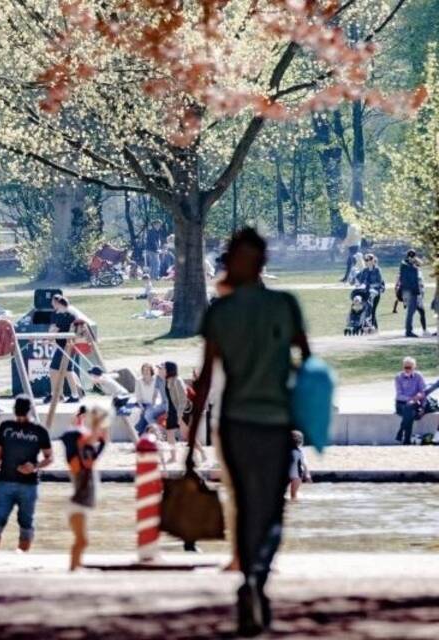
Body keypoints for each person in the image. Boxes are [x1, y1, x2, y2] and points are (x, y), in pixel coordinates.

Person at [188, 227, 312, 636]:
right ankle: (258, 575)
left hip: (237, 420)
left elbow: (205, 378)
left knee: (245, 503)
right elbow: (308, 362)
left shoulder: (220, 312)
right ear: (263, 262)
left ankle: (249, 580)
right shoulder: (284, 305)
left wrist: (191, 441)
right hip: (274, 420)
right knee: (271, 505)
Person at [0, 396, 53, 552]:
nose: (21, 417)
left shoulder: (39, 431)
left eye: (23, 413)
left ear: (29, 411)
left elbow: (49, 457)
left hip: (28, 485)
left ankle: (21, 558)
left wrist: (35, 466)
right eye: (19, 413)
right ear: (15, 411)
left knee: (26, 524)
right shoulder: (6, 427)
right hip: (6, 482)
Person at [62, 405, 109, 571]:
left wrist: (100, 422)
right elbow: (90, 437)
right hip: (77, 505)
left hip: (82, 504)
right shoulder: (75, 462)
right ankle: (72, 571)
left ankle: (75, 568)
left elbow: (100, 441)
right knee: (82, 541)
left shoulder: (87, 460)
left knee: (81, 541)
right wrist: (97, 419)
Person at [46, 295, 82, 404]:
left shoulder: (69, 315)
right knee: (56, 370)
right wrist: (48, 338)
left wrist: (48, 338)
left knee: (67, 371)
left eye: (53, 302)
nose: (52, 304)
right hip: (61, 346)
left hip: (68, 346)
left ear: (58, 303)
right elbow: (52, 328)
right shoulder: (57, 314)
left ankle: (74, 395)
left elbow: (56, 330)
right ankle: (58, 394)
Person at [394, 356, 426, 445]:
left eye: (409, 367)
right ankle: (406, 438)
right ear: (402, 367)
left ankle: (401, 433)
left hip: (414, 403)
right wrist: (411, 398)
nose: (407, 369)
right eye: (405, 367)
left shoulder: (418, 376)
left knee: (409, 408)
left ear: (414, 367)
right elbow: (399, 395)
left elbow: (423, 391)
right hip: (401, 404)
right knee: (409, 410)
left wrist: (422, 404)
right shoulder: (398, 377)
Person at [354, 254, 385, 329]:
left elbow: (379, 282)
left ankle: (374, 327)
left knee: (372, 310)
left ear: (373, 260)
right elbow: (360, 281)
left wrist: (370, 285)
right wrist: (357, 283)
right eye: (366, 260)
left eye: (369, 260)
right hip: (366, 293)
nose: (367, 262)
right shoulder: (365, 270)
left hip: (375, 293)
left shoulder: (377, 270)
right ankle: (370, 327)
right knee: (366, 309)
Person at [398, 250, 423, 338]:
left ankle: (409, 330)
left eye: (413, 257)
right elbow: (415, 268)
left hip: (410, 290)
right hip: (410, 291)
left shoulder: (406, 264)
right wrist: (415, 263)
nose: (412, 258)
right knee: (410, 312)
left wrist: (415, 261)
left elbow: (421, 264)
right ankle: (408, 331)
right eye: (411, 257)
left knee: (412, 311)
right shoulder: (406, 265)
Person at [288, 431, 311, 500]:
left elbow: (304, 464)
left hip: (296, 475)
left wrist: (307, 474)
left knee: (293, 496)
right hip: (290, 474)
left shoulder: (300, 451)